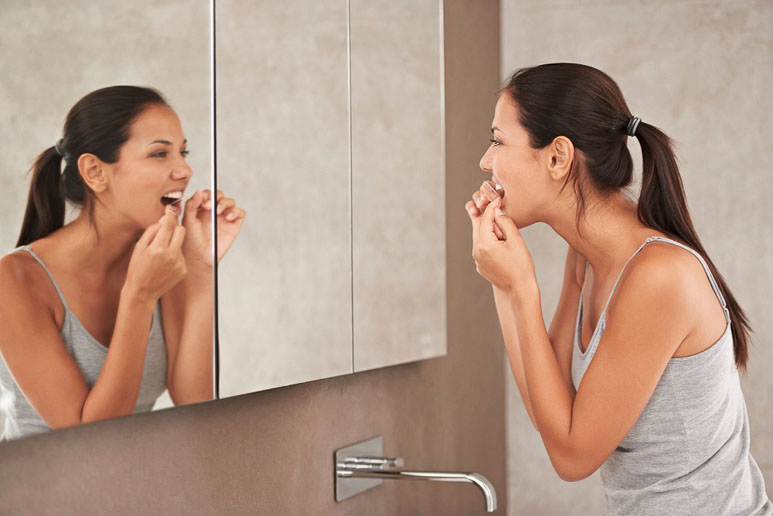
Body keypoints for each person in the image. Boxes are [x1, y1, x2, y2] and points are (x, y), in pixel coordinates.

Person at [466, 63, 771, 515]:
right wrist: (504, 285)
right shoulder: (588, 257)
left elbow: (572, 459)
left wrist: (523, 288)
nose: (486, 161)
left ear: (557, 157)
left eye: (497, 139)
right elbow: (551, 415)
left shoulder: (658, 276)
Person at [0, 86, 245, 440]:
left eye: (183, 151)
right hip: (38, 491)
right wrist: (139, 295)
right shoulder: (15, 280)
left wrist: (200, 268)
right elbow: (90, 436)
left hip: (125, 486)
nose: (185, 170)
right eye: (159, 153)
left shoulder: (161, 261)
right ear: (95, 172)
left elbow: (196, 400)